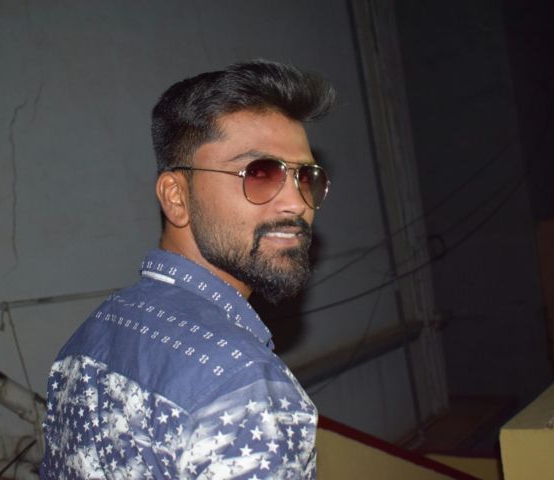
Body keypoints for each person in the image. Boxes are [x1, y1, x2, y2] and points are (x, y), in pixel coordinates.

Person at [40, 59, 335, 479]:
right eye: (259, 173)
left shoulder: (94, 333)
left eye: (305, 177)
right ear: (176, 197)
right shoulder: (245, 393)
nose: (296, 204)